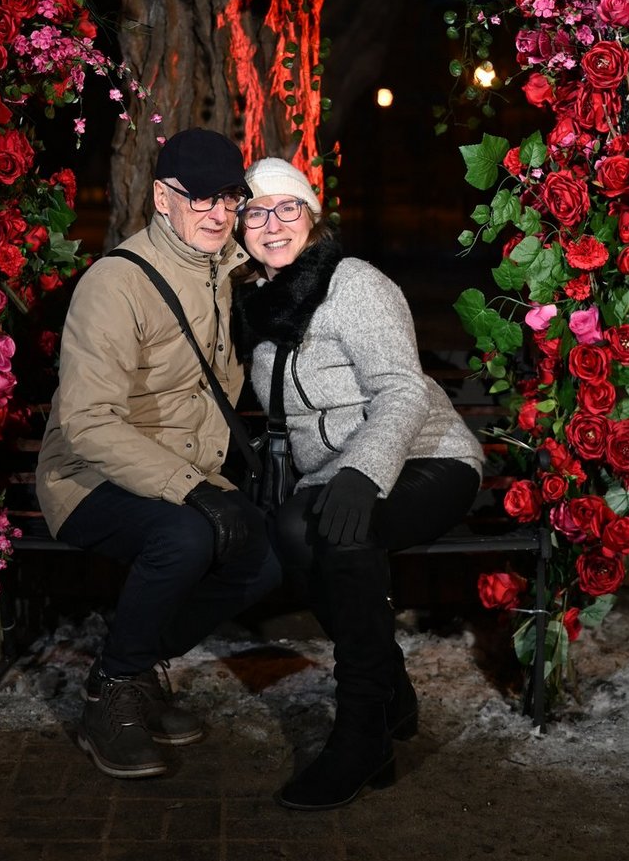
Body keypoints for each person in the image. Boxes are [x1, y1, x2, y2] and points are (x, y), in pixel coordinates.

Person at [232, 156, 484, 811]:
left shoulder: (353, 283)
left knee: (346, 532)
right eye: (256, 211)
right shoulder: (258, 303)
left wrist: (361, 473)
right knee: (293, 528)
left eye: (287, 207)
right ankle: (392, 688)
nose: (272, 222)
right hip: (335, 476)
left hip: (427, 458)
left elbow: (401, 391)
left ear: (312, 217)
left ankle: (361, 729)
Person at [36, 128, 281, 780]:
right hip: (87, 476)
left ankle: (134, 663)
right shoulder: (115, 283)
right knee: (185, 535)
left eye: (228, 196)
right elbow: (87, 423)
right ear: (161, 199)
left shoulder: (227, 270)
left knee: (264, 554)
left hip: (183, 471)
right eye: (197, 197)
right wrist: (192, 487)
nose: (217, 212)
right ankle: (111, 691)